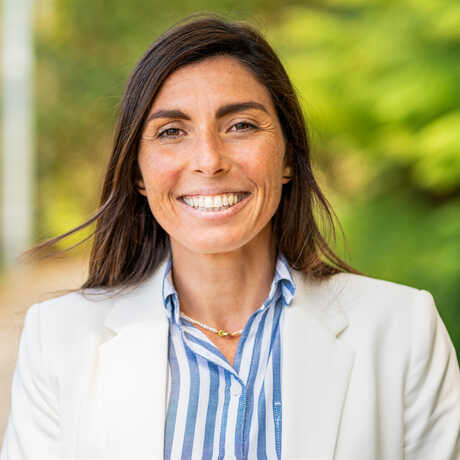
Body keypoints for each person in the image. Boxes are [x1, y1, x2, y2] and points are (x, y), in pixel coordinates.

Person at [1, 14, 459, 460]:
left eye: (240, 125)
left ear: (286, 156)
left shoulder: (403, 330)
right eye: (172, 131)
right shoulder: (58, 340)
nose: (209, 160)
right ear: (138, 172)